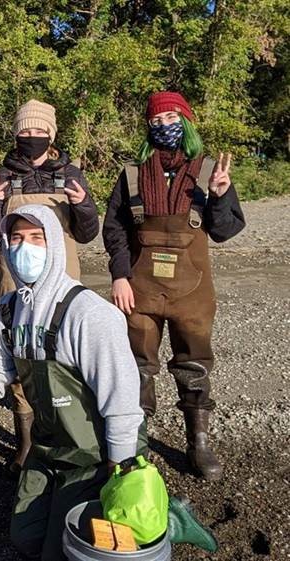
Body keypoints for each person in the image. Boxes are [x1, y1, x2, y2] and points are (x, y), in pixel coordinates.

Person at [0, 204, 145, 560]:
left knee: (64, 550)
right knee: (25, 538)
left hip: (97, 456)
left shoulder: (91, 314)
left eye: (36, 238)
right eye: (16, 238)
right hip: (48, 448)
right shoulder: (7, 310)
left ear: (54, 245)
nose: (25, 248)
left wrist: (119, 473)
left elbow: (123, 404)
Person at [103, 91, 245, 481]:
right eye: (156, 121)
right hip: (139, 289)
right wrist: (118, 274)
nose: (163, 126)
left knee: (194, 364)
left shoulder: (209, 170)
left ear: (186, 122)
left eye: (170, 119)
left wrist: (219, 196)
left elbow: (227, 230)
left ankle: (197, 443)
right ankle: (136, 443)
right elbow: (114, 228)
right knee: (137, 367)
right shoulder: (132, 173)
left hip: (192, 294)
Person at [0, 99, 100, 474]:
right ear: (15, 135)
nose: (32, 137)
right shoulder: (1, 176)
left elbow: (87, 233)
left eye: (39, 131)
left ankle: (68, 430)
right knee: (19, 352)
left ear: (52, 134)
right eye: (25, 131)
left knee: (62, 351)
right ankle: (25, 442)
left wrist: (85, 205)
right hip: (14, 277)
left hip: (62, 279)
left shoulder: (71, 174)